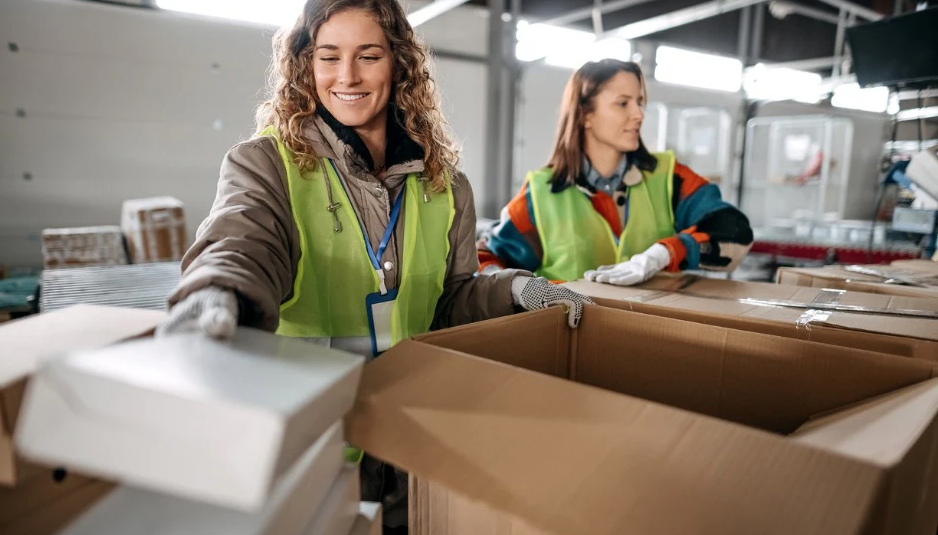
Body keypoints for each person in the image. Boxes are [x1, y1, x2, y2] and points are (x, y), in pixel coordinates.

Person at [156, 0, 592, 531]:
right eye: (328, 56)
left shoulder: (445, 185)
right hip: (317, 450)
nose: (347, 76)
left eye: (368, 55)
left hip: (415, 444)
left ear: (398, 64)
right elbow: (243, 240)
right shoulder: (267, 163)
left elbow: (451, 297)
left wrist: (517, 290)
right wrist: (216, 288)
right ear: (305, 65)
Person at [478, 59, 753, 285]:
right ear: (585, 114)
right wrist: (518, 288)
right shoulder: (540, 194)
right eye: (623, 103)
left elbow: (735, 231)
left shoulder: (669, 177)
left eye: (639, 102)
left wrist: (663, 253)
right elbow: (485, 259)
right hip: (565, 343)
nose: (639, 114)